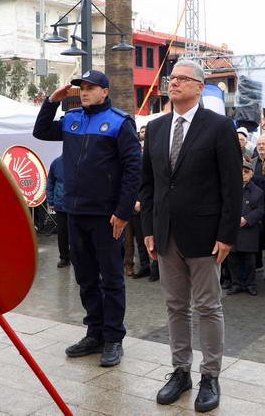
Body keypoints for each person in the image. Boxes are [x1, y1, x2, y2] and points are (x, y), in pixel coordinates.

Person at [139, 59, 242, 413]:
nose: (175, 83)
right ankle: (180, 371)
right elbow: (149, 185)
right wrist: (149, 230)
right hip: (166, 234)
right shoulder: (155, 128)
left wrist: (227, 234)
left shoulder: (218, 127)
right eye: (172, 78)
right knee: (175, 307)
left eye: (183, 79)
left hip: (205, 234)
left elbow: (232, 186)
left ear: (200, 87)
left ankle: (210, 376)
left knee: (209, 307)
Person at [33, 69, 141, 367]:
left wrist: (122, 212)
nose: (84, 91)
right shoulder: (72, 118)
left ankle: (114, 338)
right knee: (85, 278)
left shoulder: (120, 122)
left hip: (106, 216)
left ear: (105, 92)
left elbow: (134, 170)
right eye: (82, 87)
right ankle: (94, 333)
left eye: (91, 87)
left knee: (112, 279)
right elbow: (40, 131)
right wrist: (52, 102)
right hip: (74, 212)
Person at [228, 161, 264, 296]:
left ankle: (250, 284)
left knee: (249, 260)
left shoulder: (258, 191)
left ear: (252, 173)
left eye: (246, 172)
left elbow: (260, 210)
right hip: (233, 229)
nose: (243, 174)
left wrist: (246, 219)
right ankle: (236, 283)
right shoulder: (230, 189)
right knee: (233, 258)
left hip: (249, 229)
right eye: (241, 171)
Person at [45, 155, 69, 268]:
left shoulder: (78, 159)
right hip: (60, 205)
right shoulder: (56, 163)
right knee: (62, 233)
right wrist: (50, 201)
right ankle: (64, 257)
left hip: (76, 205)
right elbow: (50, 182)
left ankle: (77, 257)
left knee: (77, 233)